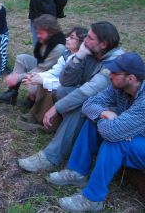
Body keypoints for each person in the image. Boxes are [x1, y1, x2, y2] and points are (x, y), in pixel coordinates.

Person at [18, 21, 124, 173]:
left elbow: (87, 91)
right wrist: (79, 56)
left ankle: (51, 156)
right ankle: (70, 132)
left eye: (90, 38)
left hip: (116, 111)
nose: (85, 41)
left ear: (103, 44)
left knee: (81, 106)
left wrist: (56, 108)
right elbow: (65, 81)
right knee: (64, 90)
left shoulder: (114, 63)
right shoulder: (91, 52)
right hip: (94, 101)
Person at [48, 52, 145, 212]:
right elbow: (89, 104)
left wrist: (111, 123)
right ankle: (77, 172)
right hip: (131, 134)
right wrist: (103, 114)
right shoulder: (118, 87)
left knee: (115, 142)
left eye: (115, 72)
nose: (110, 75)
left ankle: (93, 199)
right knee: (93, 122)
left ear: (131, 78)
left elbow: (111, 133)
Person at [17, 27, 88, 132]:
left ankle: (50, 125)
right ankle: (36, 116)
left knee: (50, 89)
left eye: (72, 38)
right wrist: (38, 76)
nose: (67, 39)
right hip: (63, 84)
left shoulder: (81, 59)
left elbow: (68, 84)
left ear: (82, 42)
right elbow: (54, 71)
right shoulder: (67, 53)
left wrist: (43, 81)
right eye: (68, 36)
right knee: (43, 83)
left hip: (74, 91)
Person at [0, 14, 66, 106]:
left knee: (32, 87)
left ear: (51, 32)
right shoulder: (47, 38)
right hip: (43, 67)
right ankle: (11, 94)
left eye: (41, 33)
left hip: (52, 76)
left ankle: (33, 102)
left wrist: (17, 78)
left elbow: (42, 70)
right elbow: (39, 61)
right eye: (37, 32)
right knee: (22, 58)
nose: (38, 35)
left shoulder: (58, 48)